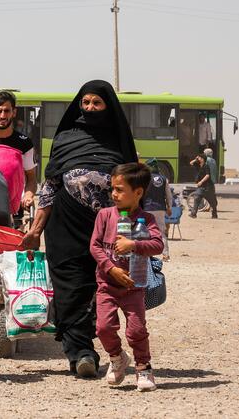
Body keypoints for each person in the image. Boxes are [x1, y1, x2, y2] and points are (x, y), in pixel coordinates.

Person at [22, 80, 138, 378]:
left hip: (107, 228)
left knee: (104, 285)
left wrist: (132, 231)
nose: (89, 108)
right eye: (85, 103)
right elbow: (51, 184)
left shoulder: (119, 140)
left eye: (96, 103)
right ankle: (81, 352)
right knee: (70, 286)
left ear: (107, 107)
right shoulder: (66, 138)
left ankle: (89, 343)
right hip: (66, 223)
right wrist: (36, 229)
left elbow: (132, 189)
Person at [90, 162, 163, 391]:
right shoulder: (104, 215)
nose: (114, 194)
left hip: (134, 287)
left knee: (136, 330)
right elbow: (95, 246)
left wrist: (134, 244)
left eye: (120, 189)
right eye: (113, 188)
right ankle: (117, 358)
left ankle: (144, 367)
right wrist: (110, 268)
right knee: (103, 327)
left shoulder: (147, 219)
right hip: (107, 284)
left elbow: (157, 244)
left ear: (138, 193)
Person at [142, 159, 172, 261]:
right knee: (161, 232)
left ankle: (147, 254)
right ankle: (166, 255)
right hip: (160, 208)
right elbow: (169, 195)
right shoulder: (164, 179)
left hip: (147, 207)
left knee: (145, 231)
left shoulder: (145, 178)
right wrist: (170, 207)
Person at [188, 153, 218, 219]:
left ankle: (214, 214)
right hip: (201, 187)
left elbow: (207, 175)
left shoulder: (206, 166)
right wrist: (196, 159)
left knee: (212, 202)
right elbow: (191, 163)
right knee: (197, 197)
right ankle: (193, 214)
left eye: (199, 158)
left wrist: (201, 181)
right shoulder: (197, 165)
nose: (198, 159)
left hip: (208, 187)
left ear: (202, 159)